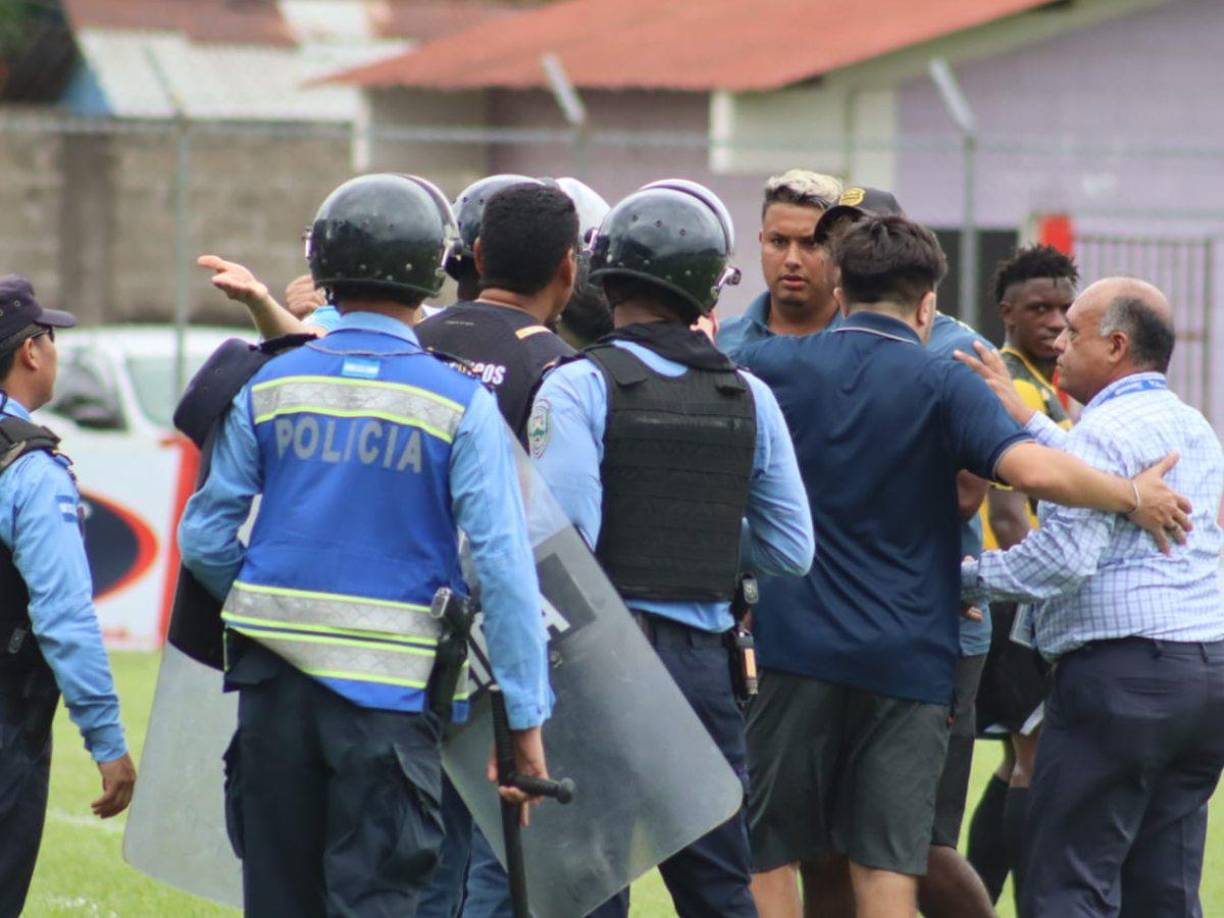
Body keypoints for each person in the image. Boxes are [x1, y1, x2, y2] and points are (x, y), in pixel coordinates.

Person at [733, 216, 1190, 918]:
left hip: (793, 649)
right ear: (927, 305)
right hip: (910, 657)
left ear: (839, 288)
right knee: (887, 863)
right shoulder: (944, 382)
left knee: (772, 853)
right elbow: (1034, 471)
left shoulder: (773, 367)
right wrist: (1132, 495)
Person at [177, 173, 553, 916]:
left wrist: (268, 602)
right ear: (433, 269)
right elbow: (504, 567)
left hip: (272, 694)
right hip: (390, 704)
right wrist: (525, 717)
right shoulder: (460, 403)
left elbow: (205, 536)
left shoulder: (269, 383)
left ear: (322, 267)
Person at [529, 180, 815, 917]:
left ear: (605, 278)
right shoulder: (748, 393)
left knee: (592, 881)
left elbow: (567, 547)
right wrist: (711, 535)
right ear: (707, 288)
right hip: (706, 668)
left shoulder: (577, 387)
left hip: (602, 661)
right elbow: (791, 549)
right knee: (718, 888)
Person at [957, 277, 1223, 918]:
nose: (1059, 342)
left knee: (1069, 884)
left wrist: (960, 578)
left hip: (1122, 681)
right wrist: (1027, 419)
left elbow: (1062, 562)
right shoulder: (1192, 423)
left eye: (1074, 331)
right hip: (1204, 675)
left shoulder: (1103, 429)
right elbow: (1095, 461)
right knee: (1163, 890)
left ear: (1116, 346)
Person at [412, 179, 584, 918]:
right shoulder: (563, 372)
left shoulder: (415, 343)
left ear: (476, 255)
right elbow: (558, 535)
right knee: (496, 852)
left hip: (404, 637)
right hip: (504, 642)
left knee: (418, 855)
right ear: (569, 269)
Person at [0, 275, 137, 915]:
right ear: (31, 351)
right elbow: (63, 618)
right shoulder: (29, 469)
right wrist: (107, 742)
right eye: (50, 338)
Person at [965, 244, 1079, 907]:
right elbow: (1009, 516)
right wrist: (1050, 599)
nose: (1056, 321)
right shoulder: (1010, 387)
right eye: (1039, 308)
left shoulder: (1039, 384)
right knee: (1035, 759)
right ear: (1006, 312)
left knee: (1017, 758)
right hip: (1017, 596)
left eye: (1064, 308)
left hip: (1011, 591)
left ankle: (977, 898)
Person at [716, 169, 842, 352]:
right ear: (762, 241)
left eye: (810, 244)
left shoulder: (867, 346)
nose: (792, 260)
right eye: (778, 242)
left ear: (839, 248)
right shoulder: (719, 344)